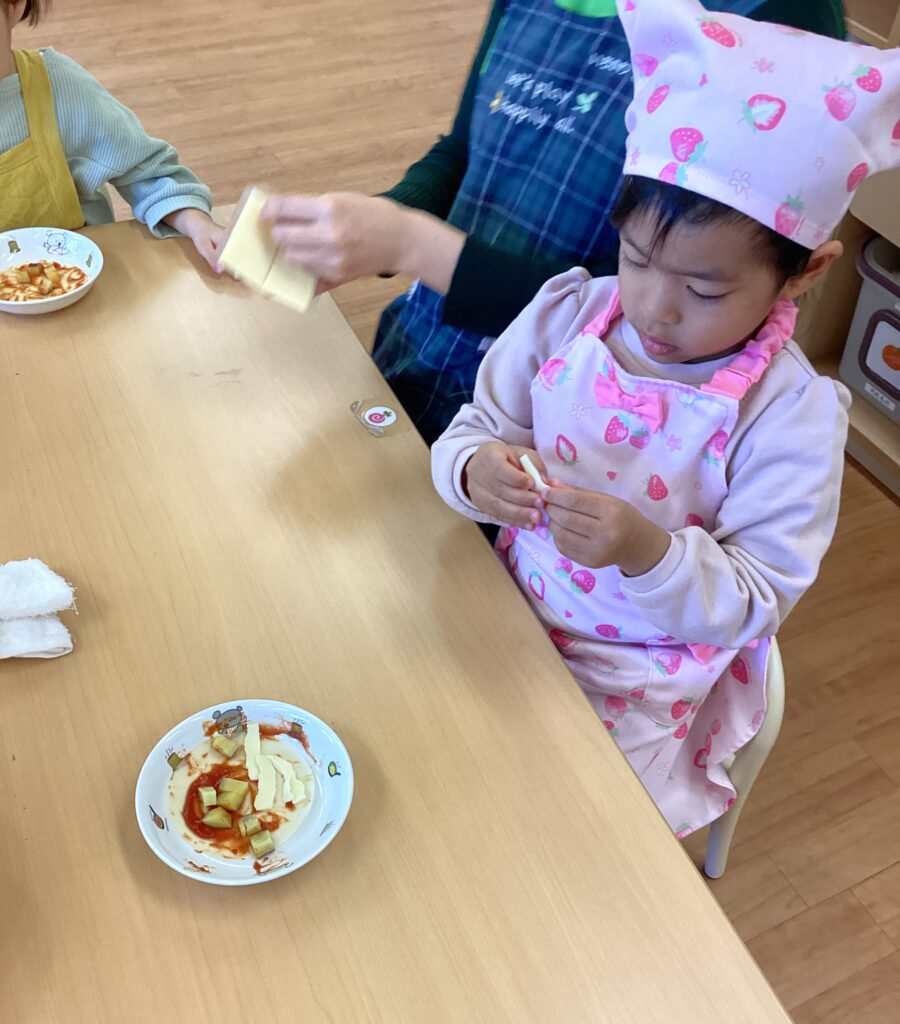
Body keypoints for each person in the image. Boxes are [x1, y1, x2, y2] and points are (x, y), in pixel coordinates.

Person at [430, 0, 900, 838]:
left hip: (637, 683)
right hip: (505, 606)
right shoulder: (569, 313)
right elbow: (475, 427)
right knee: (434, 774)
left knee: (564, 838)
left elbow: (756, 597)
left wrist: (648, 552)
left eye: (705, 289)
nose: (653, 307)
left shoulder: (788, 416)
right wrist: (472, 471)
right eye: (638, 259)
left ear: (805, 273)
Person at [263, 0, 846, 445]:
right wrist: (369, 230)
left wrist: (413, 245)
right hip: (422, 355)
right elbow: (464, 152)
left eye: (704, 291)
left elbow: (634, 305)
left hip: (563, 429)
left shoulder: (778, 18)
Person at [0, 0, 222, 265]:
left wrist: (198, 225)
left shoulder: (60, 91)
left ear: (15, 6)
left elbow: (150, 174)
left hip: (80, 280)